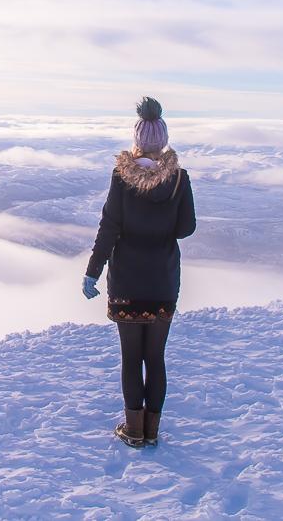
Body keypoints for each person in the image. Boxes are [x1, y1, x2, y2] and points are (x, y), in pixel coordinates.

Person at [83, 96, 196, 448]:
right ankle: (152, 429)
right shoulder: (179, 179)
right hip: (163, 279)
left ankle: (133, 430)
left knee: (131, 358)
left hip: (128, 280)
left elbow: (109, 227)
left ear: (137, 139)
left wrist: (92, 272)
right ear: (163, 139)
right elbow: (186, 228)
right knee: (155, 358)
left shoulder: (122, 177)